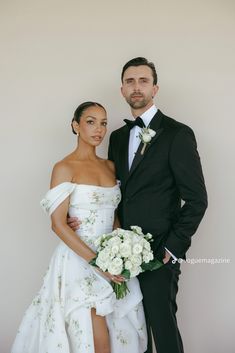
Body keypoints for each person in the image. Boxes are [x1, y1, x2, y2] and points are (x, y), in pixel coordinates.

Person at [69, 58, 208, 353]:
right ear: (122, 90)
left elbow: (197, 199)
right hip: (119, 254)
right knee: (131, 330)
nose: (136, 87)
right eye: (130, 81)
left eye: (143, 81)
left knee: (162, 325)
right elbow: (113, 191)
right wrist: (81, 217)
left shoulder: (177, 134)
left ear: (155, 88)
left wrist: (172, 247)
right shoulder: (117, 138)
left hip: (160, 251)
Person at [11, 101, 147, 353]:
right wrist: (98, 263)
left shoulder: (110, 166)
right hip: (79, 259)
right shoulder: (64, 168)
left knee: (118, 330)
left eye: (103, 122)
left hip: (112, 260)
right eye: (91, 121)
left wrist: (121, 253)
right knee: (93, 336)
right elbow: (58, 224)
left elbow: (115, 216)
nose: (99, 129)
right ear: (76, 125)